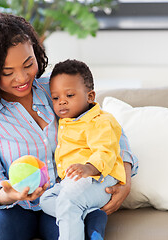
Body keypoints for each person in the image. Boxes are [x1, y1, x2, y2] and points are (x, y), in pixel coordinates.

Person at [0, 11, 138, 240]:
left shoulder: (55, 89)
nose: (22, 78)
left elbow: (109, 129)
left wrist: (125, 179)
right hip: (14, 209)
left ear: (36, 53)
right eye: (7, 73)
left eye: (28, 64)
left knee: (87, 227)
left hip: (64, 197)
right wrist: (10, 195)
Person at [39, 59, 128, 240]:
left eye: (69, 96)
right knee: (45, 201)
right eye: (55, 98)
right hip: (72, 182)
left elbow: (106, 151)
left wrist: (89, 167)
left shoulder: (101, 121)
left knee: (68, 201)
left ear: (90, 96)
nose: (61, 102)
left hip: (99, 178)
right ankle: (90, 214)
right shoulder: (67, 121)